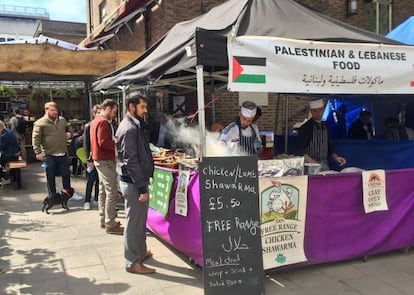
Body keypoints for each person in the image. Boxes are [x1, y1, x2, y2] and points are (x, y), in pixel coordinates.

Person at [115, 92, 155, 275]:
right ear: (131, 107)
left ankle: (140, 253)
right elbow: (131, 161)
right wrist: (141, 188)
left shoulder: (134, 125)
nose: (145, 111)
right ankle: (131, 262)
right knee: (133, 223)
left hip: (136, 181)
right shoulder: (129, 128)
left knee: (140, 221)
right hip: (133, 183)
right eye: (142, 107)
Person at [90, 99, 123, 234]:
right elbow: (103, 142)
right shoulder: (103, 122)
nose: (114, 115)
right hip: (104, 160)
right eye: (114, 111)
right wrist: (116, 143)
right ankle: (110, 224)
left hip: (99, 159)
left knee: (103, 190)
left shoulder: (96, 120)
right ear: (108, 109)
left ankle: (104, 219)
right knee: (112, 191)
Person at [32, 102, 74, 196]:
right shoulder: (40, 123)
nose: (55, 112)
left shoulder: (62, 120)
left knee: (66, 175)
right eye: (52, 110)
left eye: (56, 110)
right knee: (50, 177)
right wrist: (37, 152)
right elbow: (36, 138)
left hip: (62, 153)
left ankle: (67, 194)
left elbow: (69, 129)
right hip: (49, 155)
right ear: (46, 110)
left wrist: (69, 134)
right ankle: (52, 195)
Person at [297, 99, 346, 171]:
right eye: (315, 111)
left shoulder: (326, 126)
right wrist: (313, 162)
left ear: (323, 110)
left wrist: (336, 157)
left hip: (324, 163)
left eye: (320, 110)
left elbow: (329, 147)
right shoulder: (305, 128)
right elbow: (300, 150)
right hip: (310, 165)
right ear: (311, 111)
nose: (318, 113)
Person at [83, 104, 101, 210]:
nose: (99, 114)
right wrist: (88, 159)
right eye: (97, 112)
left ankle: (97, 199)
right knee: (90, 180)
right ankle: (87, 200)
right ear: (93, 113)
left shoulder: (103, 124)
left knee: (99, 180)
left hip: (101, 158)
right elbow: (86, 143)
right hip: (91, 158)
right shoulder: (88, 126)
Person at [0, 121, 20, 185]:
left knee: (1, 161)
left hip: (11, 155)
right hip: (14, 154)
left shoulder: (4, 135)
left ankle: (4, 178)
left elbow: (0, 147)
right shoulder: (7, 131)